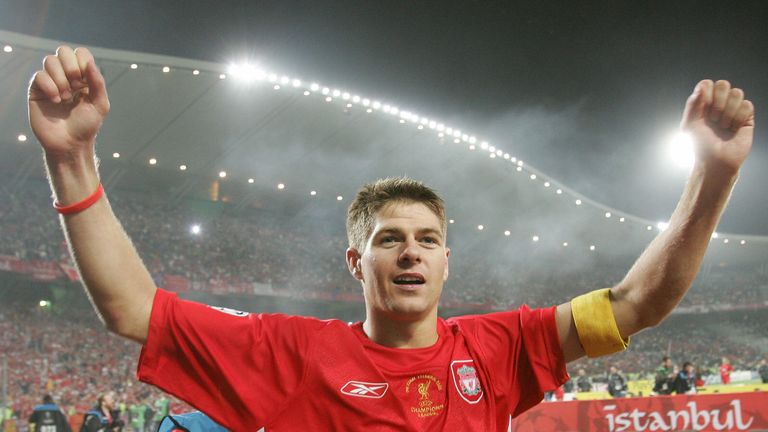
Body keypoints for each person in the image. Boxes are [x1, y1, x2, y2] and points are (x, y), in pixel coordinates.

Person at [27, 46, 755, 431]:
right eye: (389, 239)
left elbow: (638, 302)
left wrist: (713, 176)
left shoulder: (499, 349)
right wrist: (70, 156)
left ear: (446, 260)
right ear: (356, 260)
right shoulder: (291, 354)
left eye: (428, 239)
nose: (411, 250)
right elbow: (133, 309)